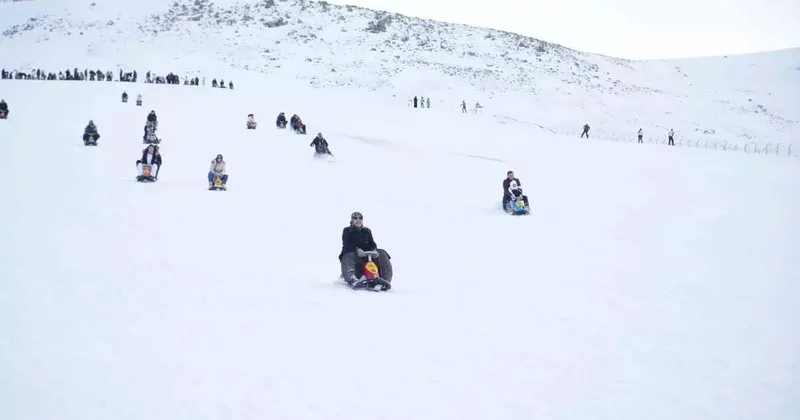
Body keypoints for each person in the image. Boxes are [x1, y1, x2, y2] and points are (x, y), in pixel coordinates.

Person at [338, 212, 393, 287]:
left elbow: (372, 243)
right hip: (354, 256)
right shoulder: (347, 230)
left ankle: (385, 280)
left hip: (367, 256)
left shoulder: (367, 231)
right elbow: (347, 244)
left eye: (360, 218)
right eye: (355, 218)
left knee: (382, 252)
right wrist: (357, 250)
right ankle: (352, 279)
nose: (358, 220)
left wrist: (374, 250)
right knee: (348, 254)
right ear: (352, 220)